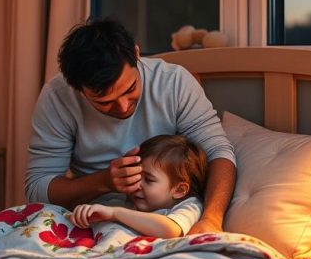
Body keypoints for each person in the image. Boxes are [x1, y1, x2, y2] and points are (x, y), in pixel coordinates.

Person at [25, 17, 236, 233]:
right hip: (93, 218)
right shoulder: (58, 97)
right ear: (77, 88)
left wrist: (211, 219)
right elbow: (37, 187)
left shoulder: (174, 83)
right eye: (104, 102)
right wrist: (104, 182)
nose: (124, 106)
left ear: (136, 54)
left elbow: (218, 153)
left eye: (130, 89)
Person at [70, 134, 207, 239]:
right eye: (135, 175)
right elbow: (103, 211)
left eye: (148, 179)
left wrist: (115, 213)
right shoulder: (128, 202)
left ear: (179, 190)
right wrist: (89, 212)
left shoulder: (189, 206)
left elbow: (170, 230)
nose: (136, 184)